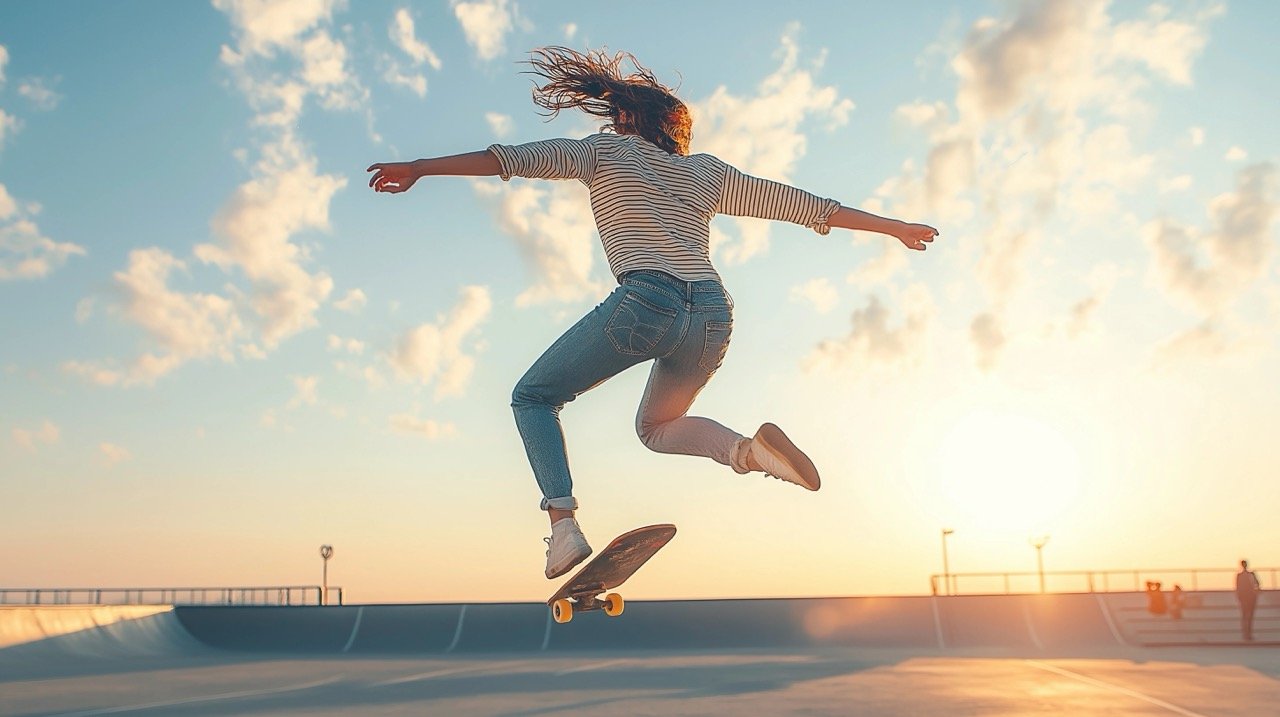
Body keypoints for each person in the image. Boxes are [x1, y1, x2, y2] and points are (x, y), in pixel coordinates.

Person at [367, 47, 939, 579]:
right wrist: (894, 228)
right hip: (713, 316)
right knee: (657, 428)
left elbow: (508, 160)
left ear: (624, 120)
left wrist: (421, 167)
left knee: (533, 397)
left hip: (648, 301)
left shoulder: (601, 152)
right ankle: (749, 452)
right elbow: (801, 205)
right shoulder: (704, 172)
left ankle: (562, 526)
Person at [1236, 559, 1261, 640]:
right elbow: (1238, 587)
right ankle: (1246, 634)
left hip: (1249, 597)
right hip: (1246, 597)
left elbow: (1257, 583)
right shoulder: (1241, 575)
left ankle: (1247, 634)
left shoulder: (1250, 574)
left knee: (1248, 616)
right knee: (1246, 616)